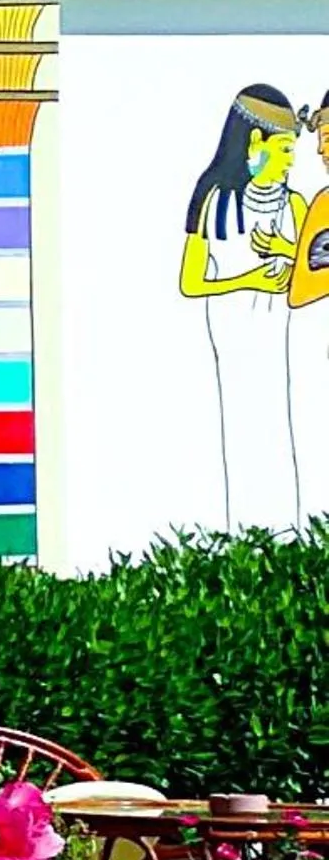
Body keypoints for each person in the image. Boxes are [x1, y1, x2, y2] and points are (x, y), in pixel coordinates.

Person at [178, 83, 305, 531]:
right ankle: (247, 531)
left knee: (277, 425)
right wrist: (249, 279)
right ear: (255, 142)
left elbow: (311, 268)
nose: (291, 161)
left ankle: (285, 530)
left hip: (277, 333)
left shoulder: (294, 205)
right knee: (243, 426)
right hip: (233, 333)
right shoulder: (212, 202)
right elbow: (191, 281)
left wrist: (288, 252)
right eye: (285, 149)